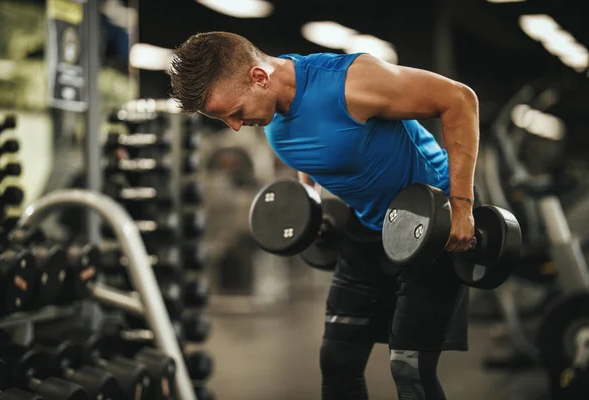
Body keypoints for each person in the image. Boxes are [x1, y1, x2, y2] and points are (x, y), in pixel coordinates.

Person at [169, 31, 479, 400]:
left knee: (408, 367)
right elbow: (311, 154)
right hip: (367, 230)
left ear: (259, 77)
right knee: (337, 362)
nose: (234, 126)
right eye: (224, 120)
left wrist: (461, 205)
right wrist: (310, 203)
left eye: (235, 113)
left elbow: (460, 100)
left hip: (429, 223)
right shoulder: (271, 114)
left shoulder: (351, 82)